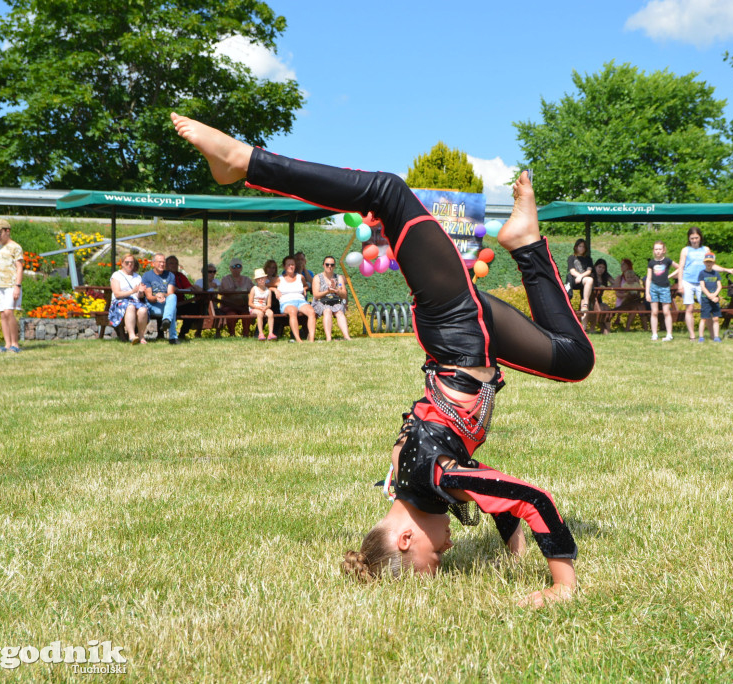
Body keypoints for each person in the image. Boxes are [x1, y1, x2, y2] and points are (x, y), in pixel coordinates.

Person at [171, 112, 594, 606]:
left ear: (406, 541)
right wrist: (516, 552)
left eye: (435, 559)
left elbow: (529, 498)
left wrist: (562, 586)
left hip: (456, 329)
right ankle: (524, 243)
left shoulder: (431, 477)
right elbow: (496, 497)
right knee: (573, 360)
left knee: (388, 193)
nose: (450, 548)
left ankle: (243, 162)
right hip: (471, 338)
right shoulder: (415, 486)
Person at [678, 227, 733, 341]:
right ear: (689, 238)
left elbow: (711, 265)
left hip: (702, 282)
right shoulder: (685, 250)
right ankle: (692, 335)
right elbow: (681, 267)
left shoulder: (705, 249)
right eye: (692, 238)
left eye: (696, 238)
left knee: (706, 308)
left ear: (700, 237)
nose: (694, 240)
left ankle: (713, 335)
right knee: (690, 308)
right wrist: (680, 284)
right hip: (687, 281)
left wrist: (725, 269)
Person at [0, 219, 24, 353]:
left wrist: (17, 286)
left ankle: (15, 343)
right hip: (0, 285)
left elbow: (19, 268)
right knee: (3, 314)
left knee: (9, 312)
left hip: (11, 284)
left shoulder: (16, 247)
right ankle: (7, 343)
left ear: (7, 231)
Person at [108, 254, 150, 344]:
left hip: (136, 301)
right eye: (127, 262)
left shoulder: (138, 277)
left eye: (132, 262)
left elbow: (140, 296)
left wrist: (141, 292)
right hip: (120, 302)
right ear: (122, 263)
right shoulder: (116, 275)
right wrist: (132, 291)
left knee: (143, 310)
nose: (129, 264)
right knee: (130, 307)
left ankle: (141, 336)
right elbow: (117, 294)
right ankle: (132, 336)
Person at [141, 253, 180, 345]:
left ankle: (166, 320)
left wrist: (163, 294)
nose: (162, 264)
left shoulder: (170, 275)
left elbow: (170, 293)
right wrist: (157, 297)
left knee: (173, 297)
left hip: (165, 304)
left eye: (163, 262)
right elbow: (149, 297)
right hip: (152, 306)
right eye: (159, 262)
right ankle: (173, 338)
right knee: (173, 309)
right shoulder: (147, 276)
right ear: (153, 263)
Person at [276, 256, 315, 342]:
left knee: (311, 311)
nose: (291, 266)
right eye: (288, 265)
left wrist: (305, 288)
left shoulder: (300, 277)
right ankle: (298, 339)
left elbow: (306, 285)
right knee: (292, 311)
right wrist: (274, 289)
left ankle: (311, 339)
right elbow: (267, 285)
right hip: (286, 302)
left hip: (300, 301)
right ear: (284, 266)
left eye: (292, 264)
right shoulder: (279, 278)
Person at [312, 255, 351, 341]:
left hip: (335, 301)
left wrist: (336, 290)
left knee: (339, 312)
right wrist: (328, 291)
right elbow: (316, 295)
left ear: (334, 266)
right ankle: (328, 338)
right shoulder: (317, 278)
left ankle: (347, 336)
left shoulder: (339, 278)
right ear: (323, 265)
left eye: (332, 265)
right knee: (327, 310)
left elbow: (344, 294)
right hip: (320, 302)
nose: (330, 267)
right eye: (327, 264)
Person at [646, 241, 678, 342]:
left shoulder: (667, 261)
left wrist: (670, 276)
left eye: (660, 249)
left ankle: (669, 334)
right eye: (656, 249)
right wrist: (647, 292)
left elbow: (679, 267)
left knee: (666, 311)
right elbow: (649, 278)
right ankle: (654, 334)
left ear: (663, 250)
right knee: (654, 312)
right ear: (653, 251)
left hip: (665, 288)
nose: (658, 251)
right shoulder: (651, 263)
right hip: (654, 288)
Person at [166, 255, 203, 339]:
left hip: (180, 304)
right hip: (166, 304)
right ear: (166, 265)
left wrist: (195, 288)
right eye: (171, 263)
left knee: (194, 308)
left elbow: (189, 287)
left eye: (176, 263)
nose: (174, 265)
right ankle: (161, 334)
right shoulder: (163, 275)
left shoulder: (180, 276)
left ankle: (183, 333)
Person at [218, 257, 252, 337]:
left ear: (241, 268)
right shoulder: (225, 279)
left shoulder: (246, 279)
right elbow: (223, 292)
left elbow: (253, 290)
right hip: (229, 306)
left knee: (246, 315)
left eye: (238, 266)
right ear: (230, 268)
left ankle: (246, 335)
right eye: (233, 267)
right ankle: (232, 335)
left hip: (243, 306)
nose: (236, 268)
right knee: (231, 315)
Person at [696, 253, 723, 343]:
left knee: (715, 318)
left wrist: (715, 295)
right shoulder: (702, 273)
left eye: (710, 262)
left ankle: (716, 336)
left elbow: (719, 286)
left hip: (715, 299)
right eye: (707, 262)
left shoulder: (716, 273)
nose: (709, 264)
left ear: (713, 263)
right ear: (704, 262)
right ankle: (701, 337)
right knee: (704, 318)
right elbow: (702, 287)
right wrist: (710, 296)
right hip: (705, 299)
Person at [612, 258, 643, 333]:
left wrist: (635, 295)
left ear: (628, 265)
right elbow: (617, 293)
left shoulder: (635, 278)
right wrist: (626, 295)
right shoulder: (619, 278)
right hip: (622, 300)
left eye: (623, 264)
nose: (621, 266)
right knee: (632, 306)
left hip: (634, 300)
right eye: (621, 264)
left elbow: (639, 290)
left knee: (637, 307)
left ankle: (628, 328)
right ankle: (619, 319)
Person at [585, 258, 614, 334]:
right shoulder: (591, 275)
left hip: (599, 299)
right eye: (599, 267)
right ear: (595, 267)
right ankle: (594, 328)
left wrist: (606, 287)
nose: (601, 269)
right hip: (591, 299)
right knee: (599, 309)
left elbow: (614, 283)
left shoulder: (605, 275)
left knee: (607, 308)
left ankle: (608, 330)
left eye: (603, 268)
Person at [566, 238, 594, 315]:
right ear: (576, 247)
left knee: (589, 280)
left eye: (583, 247)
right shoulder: (571, 257)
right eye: (580, 246)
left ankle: (585, 304)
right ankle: (585, 303)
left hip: (584, 279)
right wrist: (579, 276)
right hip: (574, 279)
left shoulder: (588, 259)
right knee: (589, 280)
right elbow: (572, 271)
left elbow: (589, 271)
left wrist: (581, 276)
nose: (582, 248)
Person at [248, 268, 277, 340]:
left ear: (265, 278)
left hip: (264, 307)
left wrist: (266, 307)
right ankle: (260, 333)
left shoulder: (268, 291)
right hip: (254, 308)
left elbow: (269, 304)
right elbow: (250, 303)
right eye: (259, 279)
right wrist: (258, 308)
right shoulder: (254, 289)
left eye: (262, 278)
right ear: (256, 280)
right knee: (260, 313)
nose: (261, 280)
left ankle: (270, 333)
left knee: (270, 313)